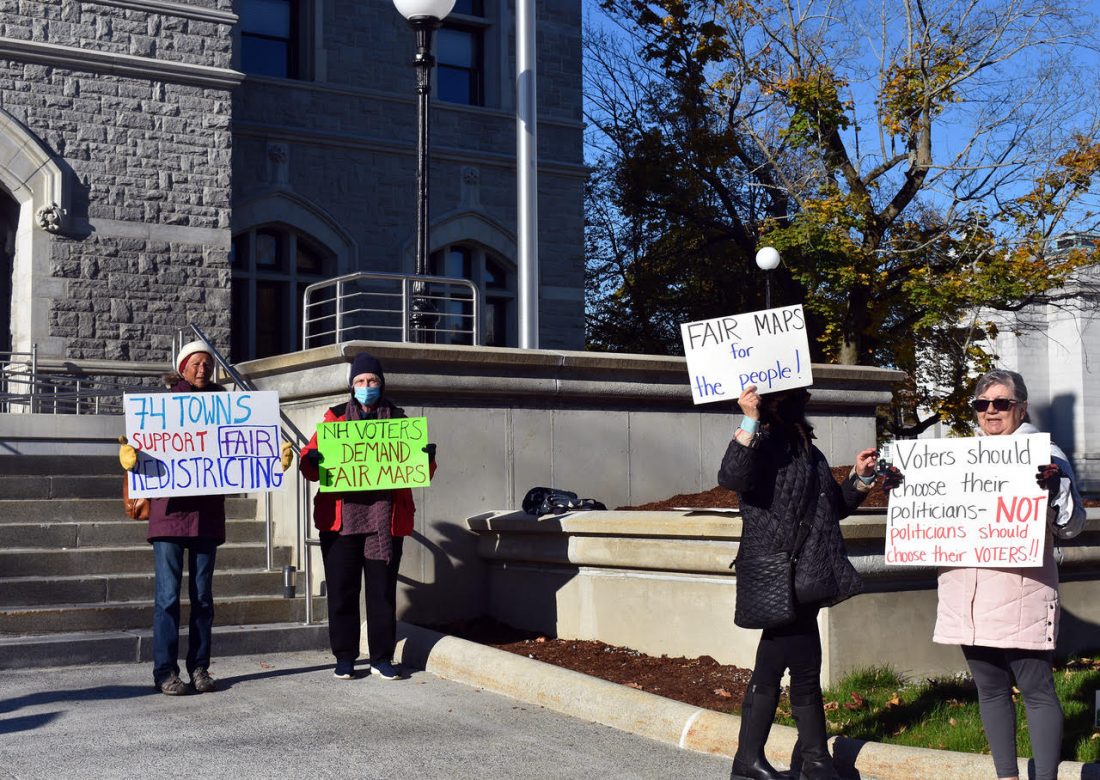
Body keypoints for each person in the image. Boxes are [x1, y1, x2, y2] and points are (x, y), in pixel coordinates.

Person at [718, 384, 884, 780]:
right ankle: (808, 760)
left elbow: (832, 508)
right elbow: (731, 476)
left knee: (788, 666)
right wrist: (749, 419)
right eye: (800, 397)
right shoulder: (763, 444)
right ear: (782, 403)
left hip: (807, 573)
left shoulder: (808, 451)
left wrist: (859, 478)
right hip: (781, 574)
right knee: (798, 667)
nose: (807, 403)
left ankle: (773, 760)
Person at [933, 369, 1084, 780]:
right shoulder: (954, 458)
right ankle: (1006, 776)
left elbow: (1072, 526)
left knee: (1035, 688)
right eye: (982, 404)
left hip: (1021, 590)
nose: (991, 411)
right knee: (989, 688)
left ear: (1021, 407)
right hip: (965, 591)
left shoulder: (1047, 454)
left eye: (1001, 403)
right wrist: (902, 485)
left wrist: (1056, 488)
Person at [119, 340, 280, 695]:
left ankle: (200, 668)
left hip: (206, 515)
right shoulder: (160, 408)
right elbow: (140, 447)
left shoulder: (227, 407)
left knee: (203, 598)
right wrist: (130, 457)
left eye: (207, 363)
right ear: (182, 368)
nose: (202, 369)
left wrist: (271, 459)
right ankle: (165, 672)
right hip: (168, 514)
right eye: (195, 363)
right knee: (167, 597)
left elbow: (245, 447)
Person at [299, 351, 436, 681]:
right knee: (342, 592)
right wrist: (311, 460)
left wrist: (427, 460)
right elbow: (309, 465)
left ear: (381, 383)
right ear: (351, 386)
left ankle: (381, 658)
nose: (366, 386)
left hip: (384, 523)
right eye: (360, 381)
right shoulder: (333, 419)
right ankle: (344, 657)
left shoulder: (400, 421)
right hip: (341, 522)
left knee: (382, 594)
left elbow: (418, 472)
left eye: (372, 380)